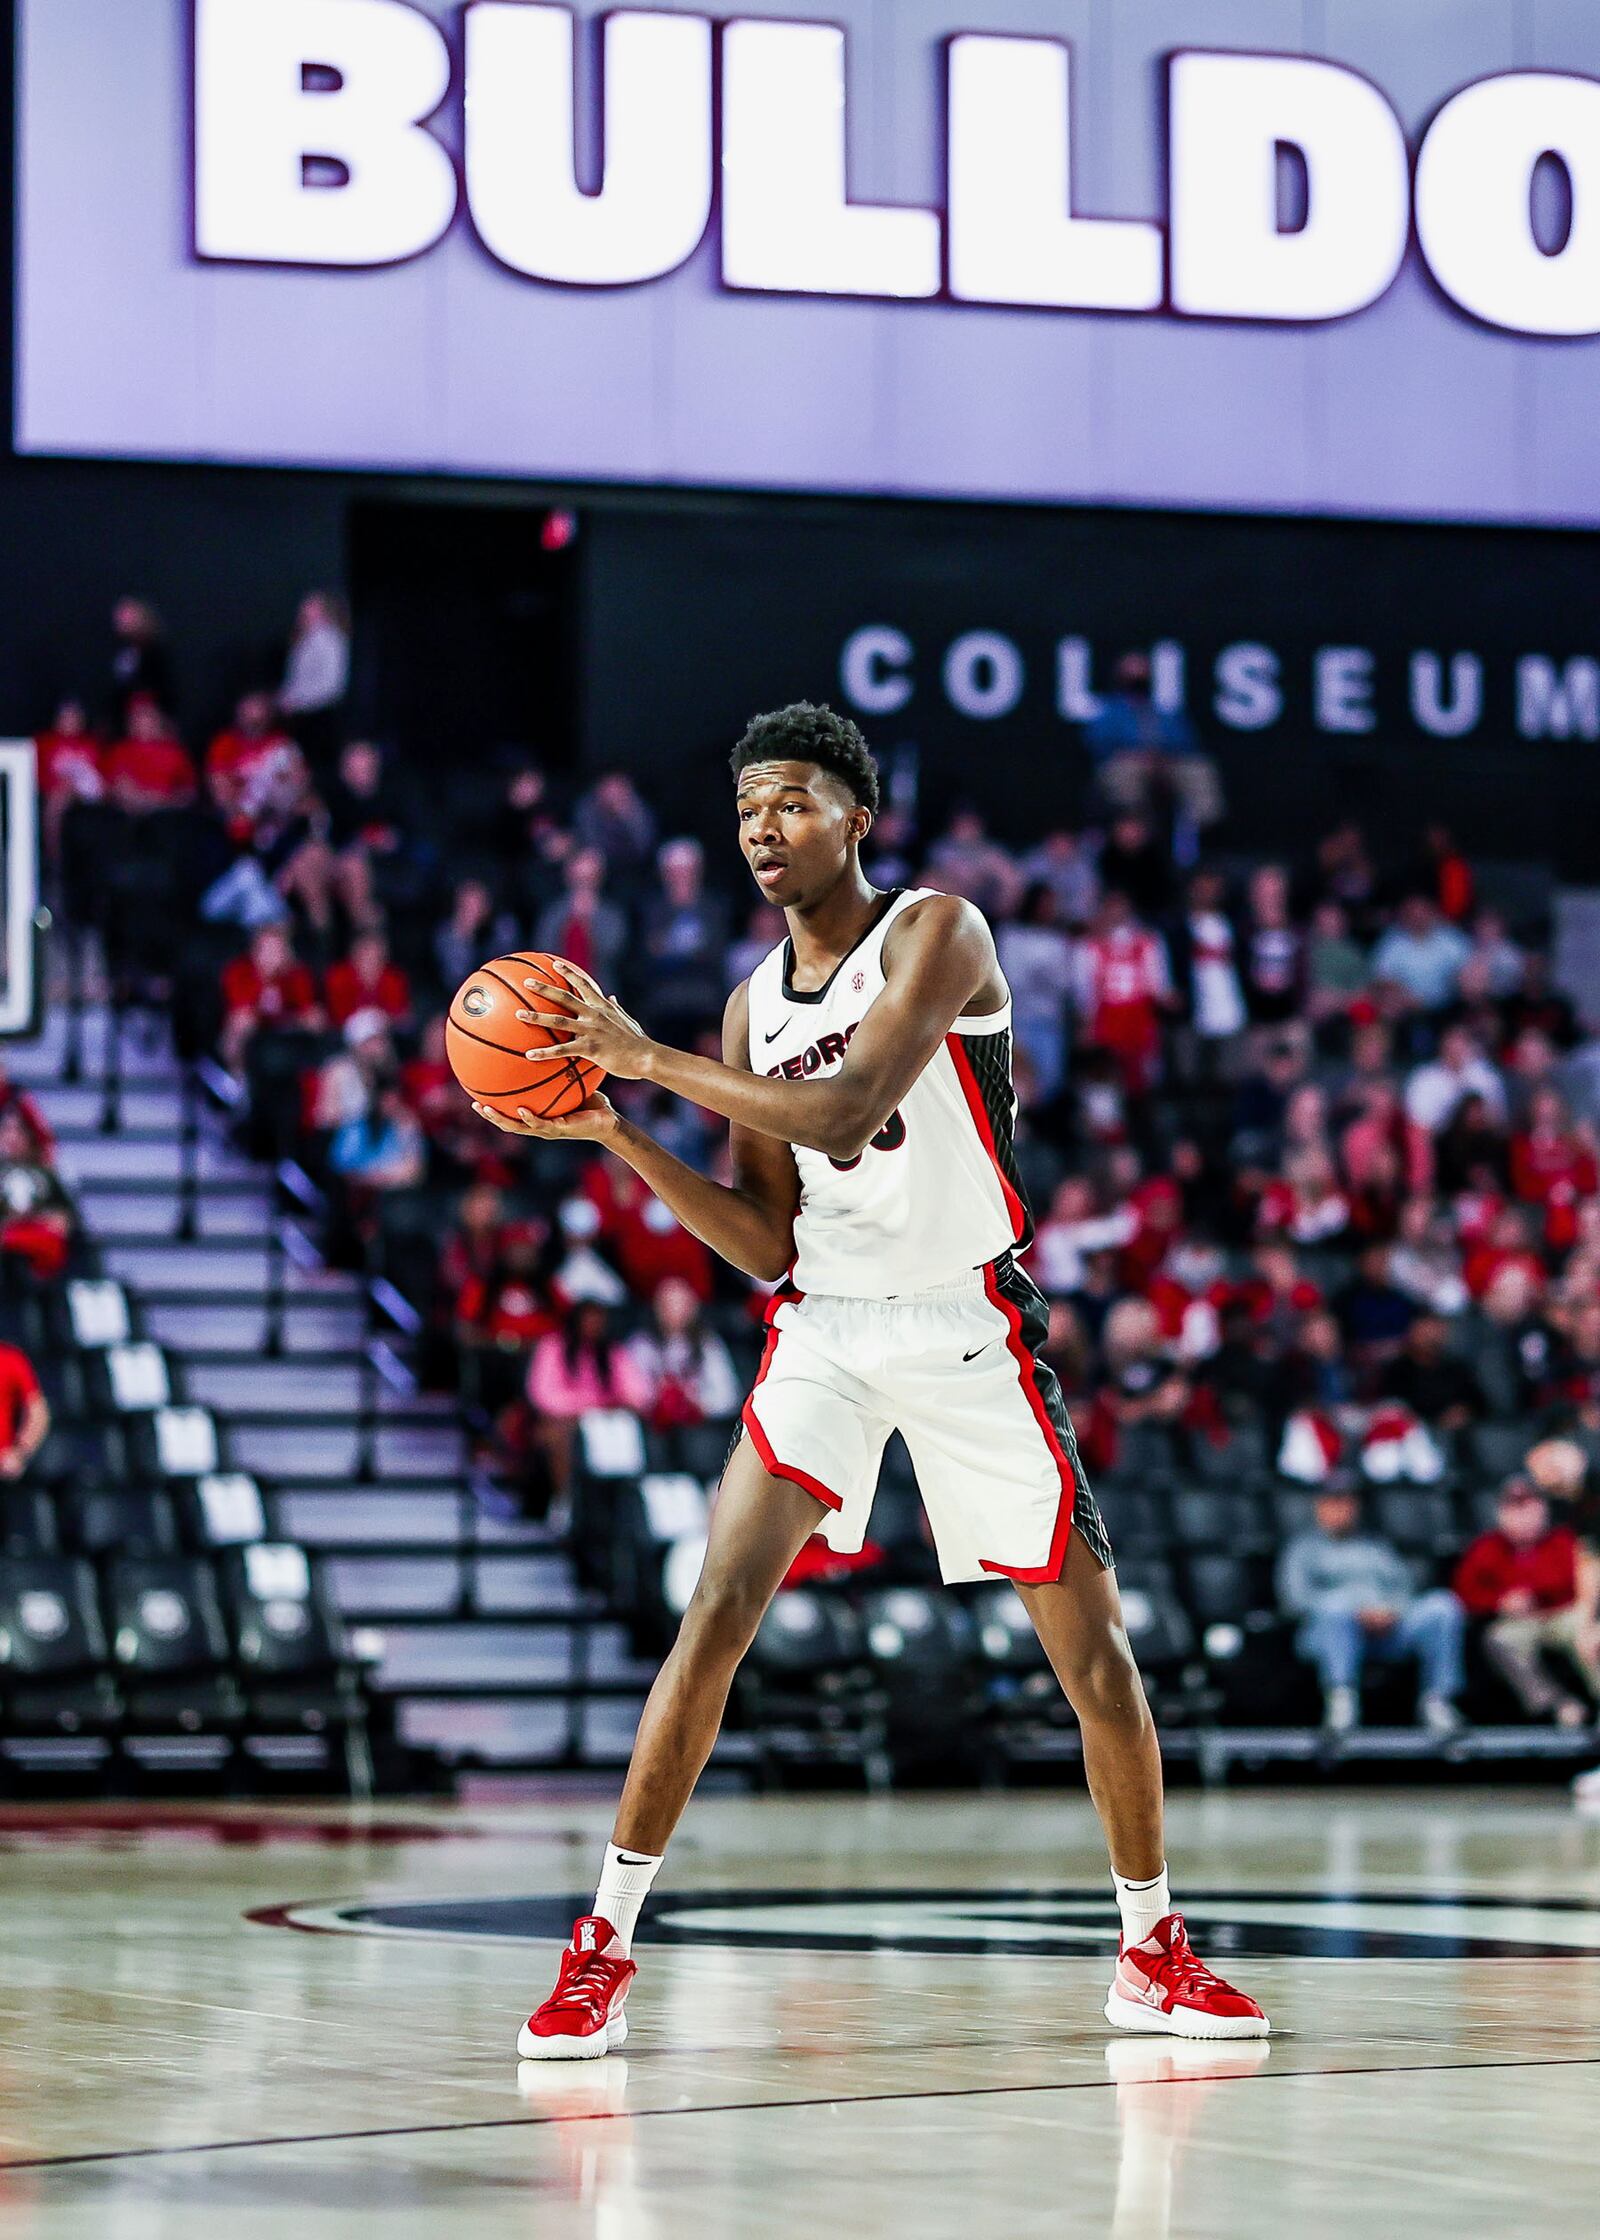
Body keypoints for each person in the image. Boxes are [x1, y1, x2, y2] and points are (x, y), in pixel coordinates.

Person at [475, 699, 1265, 2054]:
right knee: (715, 1611)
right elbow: (766, 1237)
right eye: (742, 811)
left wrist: (646, 1060)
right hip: (827, 1330)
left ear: (858, 814)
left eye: (787, 801)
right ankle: (602, 1944)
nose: (761, 831)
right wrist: (619, 1133)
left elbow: (846, 1112)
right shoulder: (747, 1009)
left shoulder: (940, 932)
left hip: (968, 1325)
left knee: (1096, 1658)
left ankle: (1152, 1949)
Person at [1276, 1483, 1465, 1734]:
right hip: (1329, 1635)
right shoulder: (1302, 1549)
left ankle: (1438, 1700)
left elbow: (1404, 1590)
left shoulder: (1376, 1547)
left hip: (1386, 1631)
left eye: (1346, 1502)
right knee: (1334, 1608)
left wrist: (1391, 1611)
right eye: (1333, 1502)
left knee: (1443, 1605)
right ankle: (1341, 1701)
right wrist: (1355, 1611)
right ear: (1319, 1508)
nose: (1340, 1509)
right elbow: (1295, 1600)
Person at [1453, 1479, 1600, 1727]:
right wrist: (1499, 1602)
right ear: (1501, 1513)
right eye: (1515, 1509)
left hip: (1561, 1615)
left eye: (1530, 1507)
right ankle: (1559, 1705)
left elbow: (1570, 1581)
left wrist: (1532, 1594)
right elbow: (1465, 1593)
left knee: (1586, 1633)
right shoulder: (1487, 1547)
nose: (1524, 1516)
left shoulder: (1561, 1541)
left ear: (1543, 1510)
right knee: (1500, 1639)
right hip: (1518, 1623)